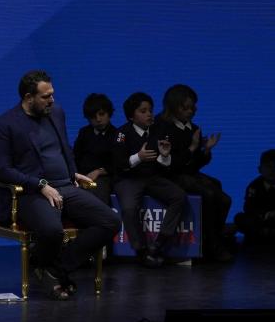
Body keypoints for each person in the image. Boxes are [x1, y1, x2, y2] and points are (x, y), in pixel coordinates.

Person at [0, 70, 121, 299]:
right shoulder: (5, 124)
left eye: (52, 94)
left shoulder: (56, 112)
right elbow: (2, 170)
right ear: (29, 98)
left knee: (110, 221)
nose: (52, 100)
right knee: (52, 231)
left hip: (66, 187)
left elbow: (62, 148)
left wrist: (73, 173)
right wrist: (39, 184)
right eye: (45, 96)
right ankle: (52, 270)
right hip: (31, 193)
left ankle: (53, 268)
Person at [157, 84, 233, 262]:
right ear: (174, 106)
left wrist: (205, 150)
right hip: (170, 176)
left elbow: (196, 164)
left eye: (193, 107)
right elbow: (171, 164)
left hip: (188, 174)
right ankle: (211, 246)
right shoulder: (161, 126)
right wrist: (191, 148)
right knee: (207, 194)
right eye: (186, 108)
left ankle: (215, 237)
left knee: (223, 197)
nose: (191, 111)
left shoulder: (193, 128)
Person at [112, 92, 187, 268]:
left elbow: (164, 165)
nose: (149, 114)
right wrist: (139, 157)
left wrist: (165, 156)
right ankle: (141, 251)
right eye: (143, 111)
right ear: (131, 115)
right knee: (129, 208)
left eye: (150, 110)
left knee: (178, 196)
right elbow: (118, 164)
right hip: (128, 179)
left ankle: (159, 243)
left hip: (152, 177)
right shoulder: (121, 134)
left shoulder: (159, 131)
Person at [73, 93, 119, 206]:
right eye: (93, 117)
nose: (98, 119)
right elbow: (75, 157)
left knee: (96, 188)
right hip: (82, 175)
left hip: (104, 177)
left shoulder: (117, 135)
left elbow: (119, 163)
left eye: (102, 114)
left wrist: (99, 171)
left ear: (109, 114)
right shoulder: (84, 132)